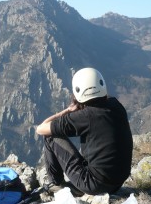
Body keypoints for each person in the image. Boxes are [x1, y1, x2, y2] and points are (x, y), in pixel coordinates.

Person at [36, 67, 133, 196]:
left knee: (50, 137)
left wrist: (67, 112)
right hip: (118, 181)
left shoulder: (83, 117)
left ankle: (56, 184)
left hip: (94, 184)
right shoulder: (116, 105)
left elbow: (41, 129)